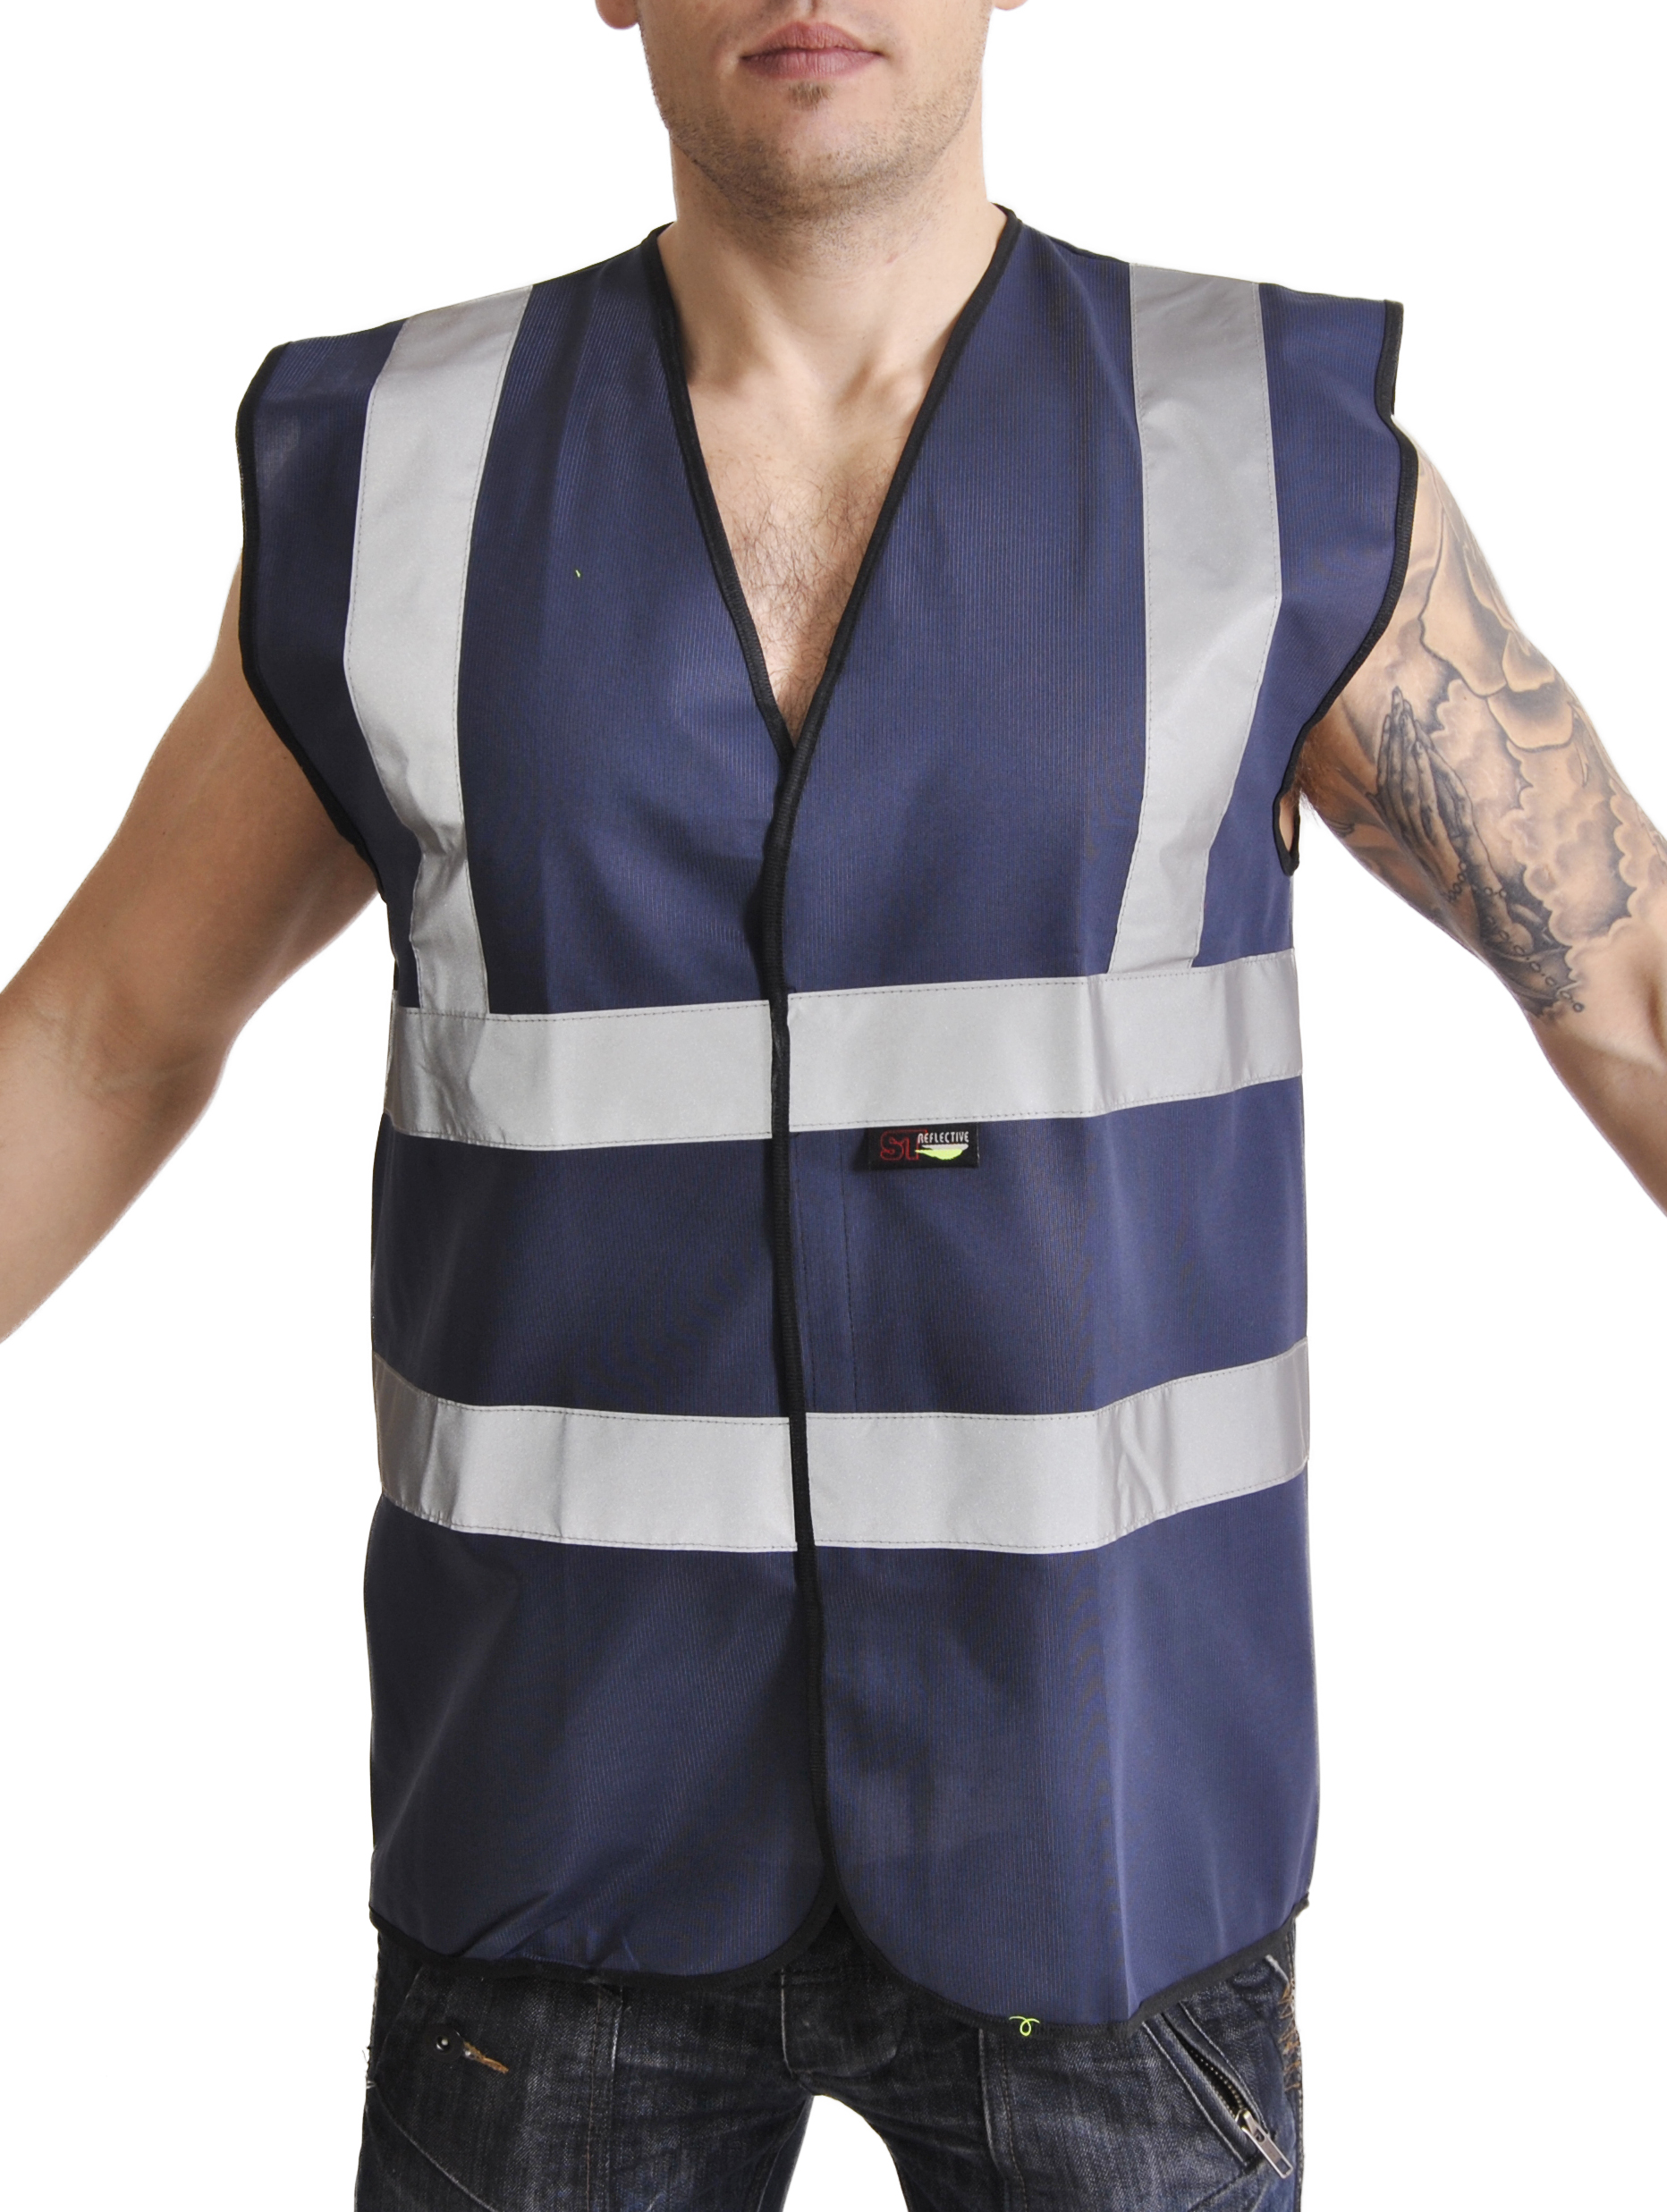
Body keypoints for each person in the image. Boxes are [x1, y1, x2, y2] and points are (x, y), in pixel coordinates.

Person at [2, 1, 1662, 2204]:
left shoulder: (1259, 450)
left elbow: (1621, 972)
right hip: (554, 1841)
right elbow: (105, 1028)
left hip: (1107, 1842)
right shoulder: (398, 472)